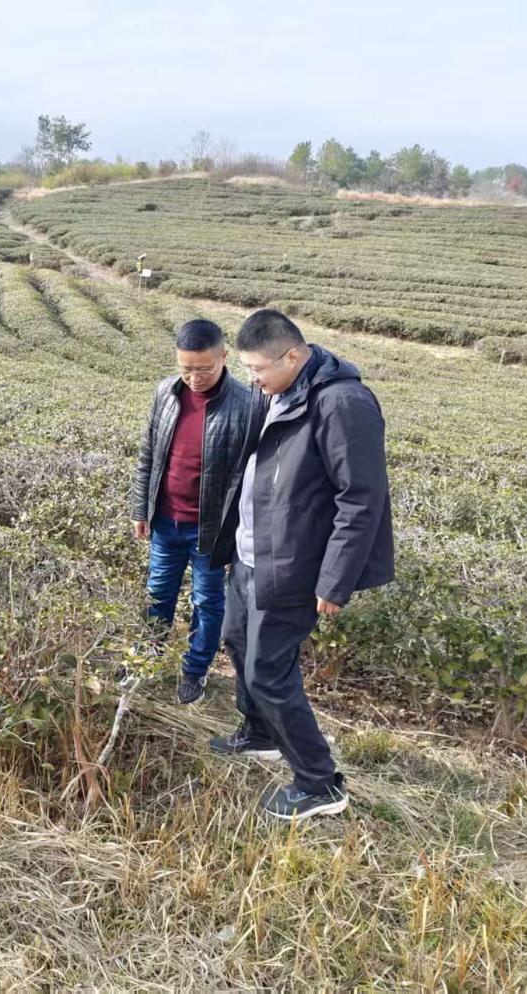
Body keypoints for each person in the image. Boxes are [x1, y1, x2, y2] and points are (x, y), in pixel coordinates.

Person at [208, 310, 394, 822]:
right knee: (237, 642)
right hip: (251, 553)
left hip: (294, 565)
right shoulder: (276, 391)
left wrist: (335, 580)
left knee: (268, 671)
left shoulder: (343, 403)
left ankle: (319, 783)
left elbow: (361, 499)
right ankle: (261, 734)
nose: (252, 379)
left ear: (292, 356)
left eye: (258, 369)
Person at [131, 319, 254, 704]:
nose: (195, 378)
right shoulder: (166, 393)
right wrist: (141, 509)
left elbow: (250, 477)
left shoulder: (246, 403)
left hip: (210, 530)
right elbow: (149, 454)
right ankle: (145, 660)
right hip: (165, 521)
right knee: (157, 594)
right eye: (186, 369)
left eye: (204, 369)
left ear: (223, 357)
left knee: (207, 603)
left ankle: (194, 671)